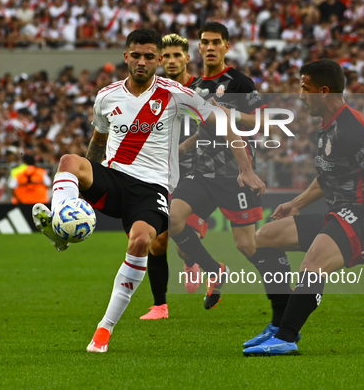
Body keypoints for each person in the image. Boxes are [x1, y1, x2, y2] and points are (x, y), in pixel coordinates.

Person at [31, 28, 265, 353]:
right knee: (70, 161)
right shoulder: (106, 96)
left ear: (158, 60)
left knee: (142, 241)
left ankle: (103, 331)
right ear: (126, 57)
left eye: (149, 56)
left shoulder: (175, 94)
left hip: (152, 188)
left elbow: (223, 121)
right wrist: (84, 187)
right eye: (136, 55)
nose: (142, 62)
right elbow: (98, 143)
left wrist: (245, 168)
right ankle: (62, 222)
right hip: (114, 180)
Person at [242, 59, 364, 356]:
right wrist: (295, 203)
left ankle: (287, 337)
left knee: (312, 265)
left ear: (323, 92)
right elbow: (327, 175)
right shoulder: (329, 125)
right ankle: (280, 323)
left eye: (306, 89)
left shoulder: (351, 126)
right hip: (339, 213)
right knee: (264, 237)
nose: (301, 96)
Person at [169, 22, 269, 310]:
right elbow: (207, 126)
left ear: (226, 46)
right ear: (198, 48)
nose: (210, 47)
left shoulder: (240, 83)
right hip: (200, 172)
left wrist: (233, 114)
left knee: (246, 245)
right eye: (205, 42)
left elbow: (263, 122)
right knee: (174, 222)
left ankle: (282, 285)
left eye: (216, 42)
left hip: (233, 173)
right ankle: (213, 269)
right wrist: (184, 147)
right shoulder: (195, 87)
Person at [139, 33, 208, 320]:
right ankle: (160, 305)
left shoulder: (200, 90)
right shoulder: (151, 89)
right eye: (165, 56)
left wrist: (185, 146)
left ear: (187, 59)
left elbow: (213, 125)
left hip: (200, 173)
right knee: (159, 241)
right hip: (161, 172)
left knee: (178, 233)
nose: (170, 61)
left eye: (176, 56)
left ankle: (195, 260)